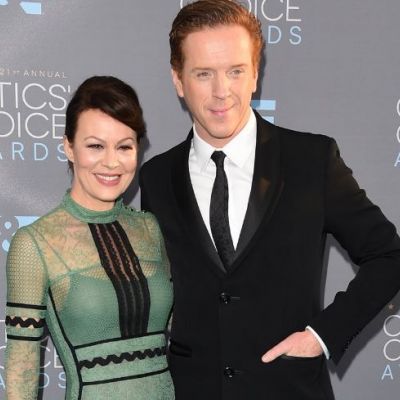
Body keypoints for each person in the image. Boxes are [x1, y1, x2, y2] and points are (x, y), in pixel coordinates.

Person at [139, 1, 400, 399]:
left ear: (255, 74)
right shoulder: (157, 177)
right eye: (203, 73)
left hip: (289, 389)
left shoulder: (311, 160)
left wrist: (321, 336)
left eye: (235, 71)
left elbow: (389, 256)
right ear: (178, 80)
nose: (221, 91)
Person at [4, 76, 174, 400]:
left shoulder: (150, 228)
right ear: (69, 147)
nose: (111, 162)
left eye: (124, 146)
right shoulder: (35, 243)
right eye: (95, 146)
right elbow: (22, 367)